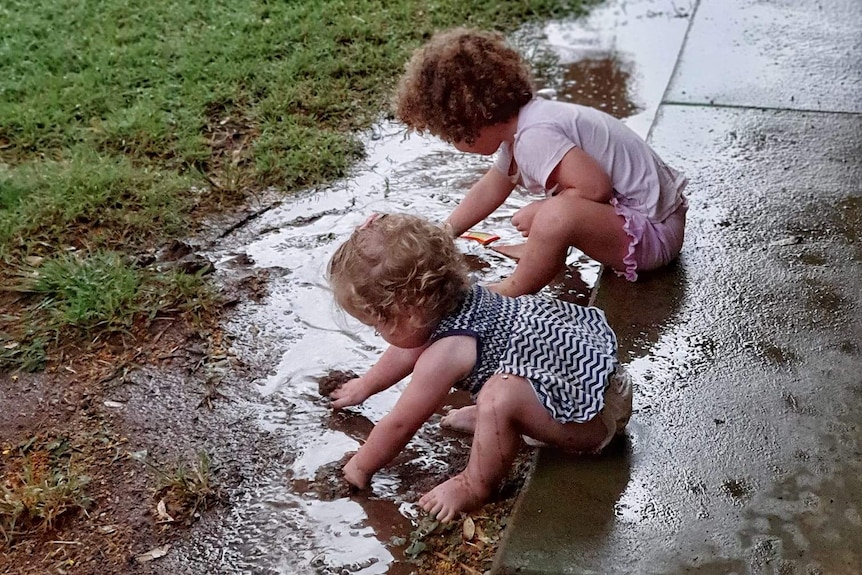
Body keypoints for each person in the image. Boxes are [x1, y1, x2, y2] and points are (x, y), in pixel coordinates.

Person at [327, 213, 632, 522]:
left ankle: (474, 485)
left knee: (498, 396)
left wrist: (360, 467)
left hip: (593, 420)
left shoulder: (445, 352)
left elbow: (401, 423)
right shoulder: (456, 301)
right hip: (594, 381)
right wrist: (364, 386)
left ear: (407, 313)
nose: (381, 335)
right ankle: (503, 418)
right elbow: (407, 349)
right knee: (499, 387)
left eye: (378, 327)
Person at [394, 28, 689, 296]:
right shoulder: (524, 125)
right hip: (652, 222)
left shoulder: (534, 136)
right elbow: (492, 187)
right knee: (553, 215)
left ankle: (515, 287)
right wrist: (445, 232)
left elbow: (595, 188)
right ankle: (540, 251)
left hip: (654, 234)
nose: (453, 144)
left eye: (450, 135)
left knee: (554, 216)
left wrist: (542, 210)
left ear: (472, 122)